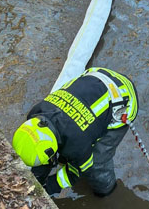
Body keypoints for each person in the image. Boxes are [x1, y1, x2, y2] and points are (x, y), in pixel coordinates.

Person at [12, 67, 138, 197]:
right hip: (96, 78)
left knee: (97, 161)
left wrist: (51, 185)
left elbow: (76, 172)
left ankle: (106, 189)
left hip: (123, 100)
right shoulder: (36, 112)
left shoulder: (77, 144)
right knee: (73, 148)